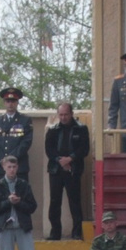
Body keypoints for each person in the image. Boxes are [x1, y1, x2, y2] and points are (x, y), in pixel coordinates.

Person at [43, 101, 90, 239]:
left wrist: (70, 159)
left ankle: (76, 232)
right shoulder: (53, 130)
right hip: (56, 170)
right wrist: (60, 160)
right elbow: (49, 149)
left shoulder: (81, 129)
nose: (63, 117)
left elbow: (84, 149)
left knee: (74, 201)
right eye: (61, 114)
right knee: (54, 201)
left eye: (66, 114)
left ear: (72, 114)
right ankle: (55, 232)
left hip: (73, 169)